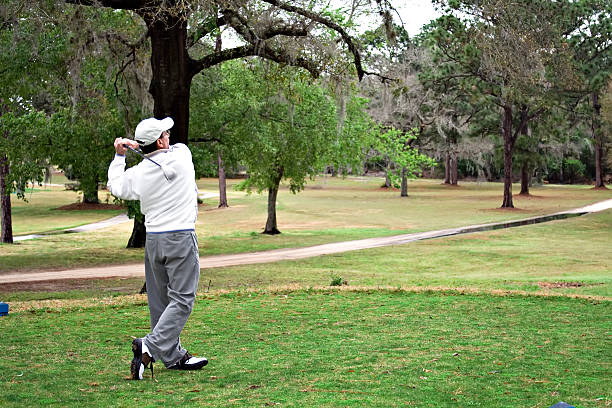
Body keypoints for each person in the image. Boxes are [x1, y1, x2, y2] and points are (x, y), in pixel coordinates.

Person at [107, 117, 207, 380]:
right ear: (161, 140)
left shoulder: (138, 174)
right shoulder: (182, 156)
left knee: (160, 302)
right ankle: (149, 346)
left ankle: (173, 357)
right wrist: (140, 147)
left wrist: (121, 155)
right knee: (183, 299)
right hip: (181, 238)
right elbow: (173, 149)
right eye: (166, 132)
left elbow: (115, 186)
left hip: (154, 241)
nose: (170, 135)